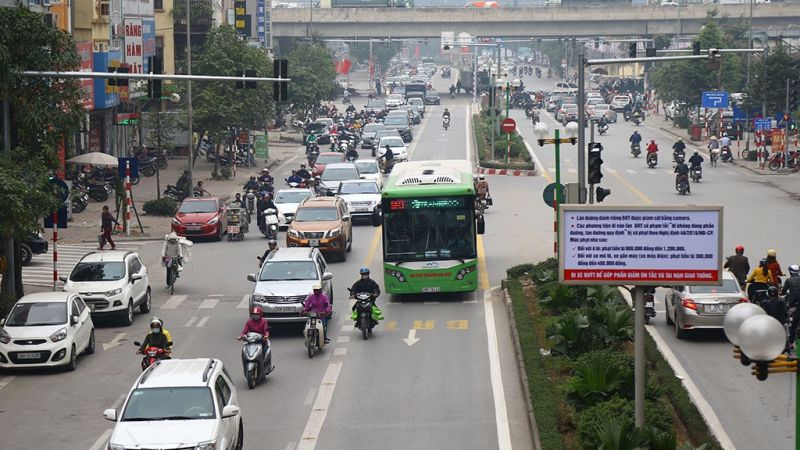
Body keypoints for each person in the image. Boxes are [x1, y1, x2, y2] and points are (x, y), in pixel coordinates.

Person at [782, 265, 800, 344]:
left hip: (793, 304)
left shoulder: (789, 280)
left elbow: (783, 292)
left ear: (790, 272)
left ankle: (791, 342)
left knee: (792, 323)